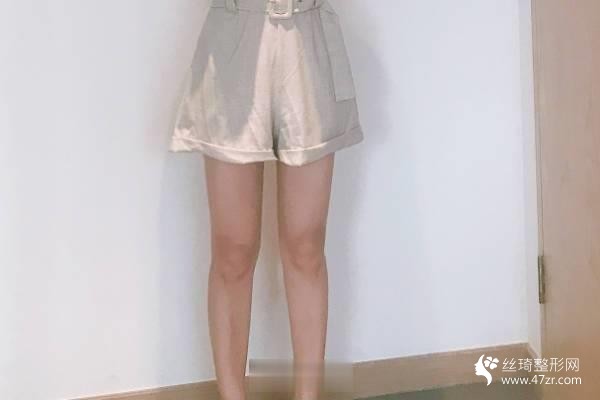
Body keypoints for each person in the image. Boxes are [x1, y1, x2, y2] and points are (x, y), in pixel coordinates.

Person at [170, 0, 364, 399]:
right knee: (233, 248)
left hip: (307, 31)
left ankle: (308, 395)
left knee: (306, 245)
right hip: (233, 33)